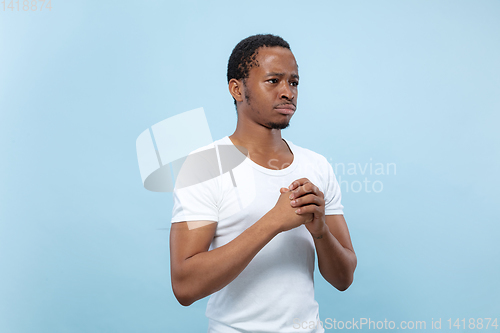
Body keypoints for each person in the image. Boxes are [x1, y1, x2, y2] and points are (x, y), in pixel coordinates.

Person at [169, 34, 357, 333]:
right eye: (273, 81)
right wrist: (273, 221)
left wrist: (320, 231)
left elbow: (343, 278)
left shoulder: (317, 165)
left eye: (294, 82)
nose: (288, 92)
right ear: (236, 89)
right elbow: (185, 286)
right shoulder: (204, 166)